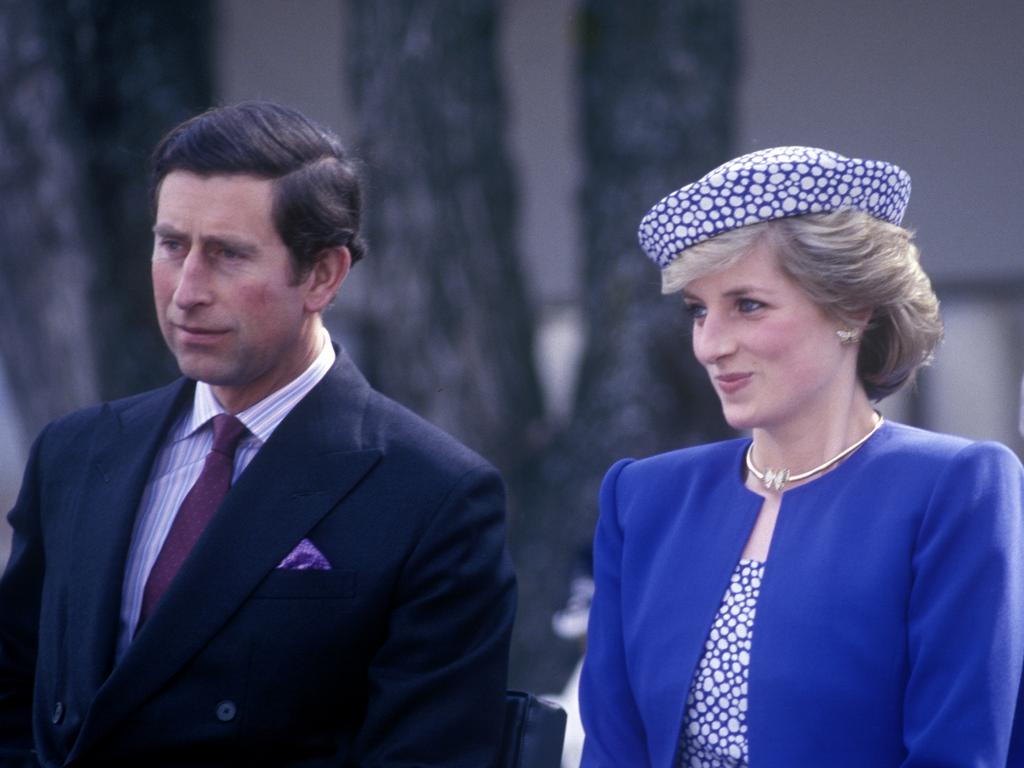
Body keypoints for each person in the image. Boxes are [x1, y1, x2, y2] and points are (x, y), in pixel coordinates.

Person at [0, 102, 516, 767]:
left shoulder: (434, 496)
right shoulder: (76, 451)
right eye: (172, 245)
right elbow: (15, 687)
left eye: (227, 255)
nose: (186, 291)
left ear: (323, 275)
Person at [578, 146, 1024, 766]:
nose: (710, 344)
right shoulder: (644, 498)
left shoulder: (958, 488)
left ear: (852, 310)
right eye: (698, 311)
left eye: (748, 305)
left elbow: (957, 750)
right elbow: (612, 749)